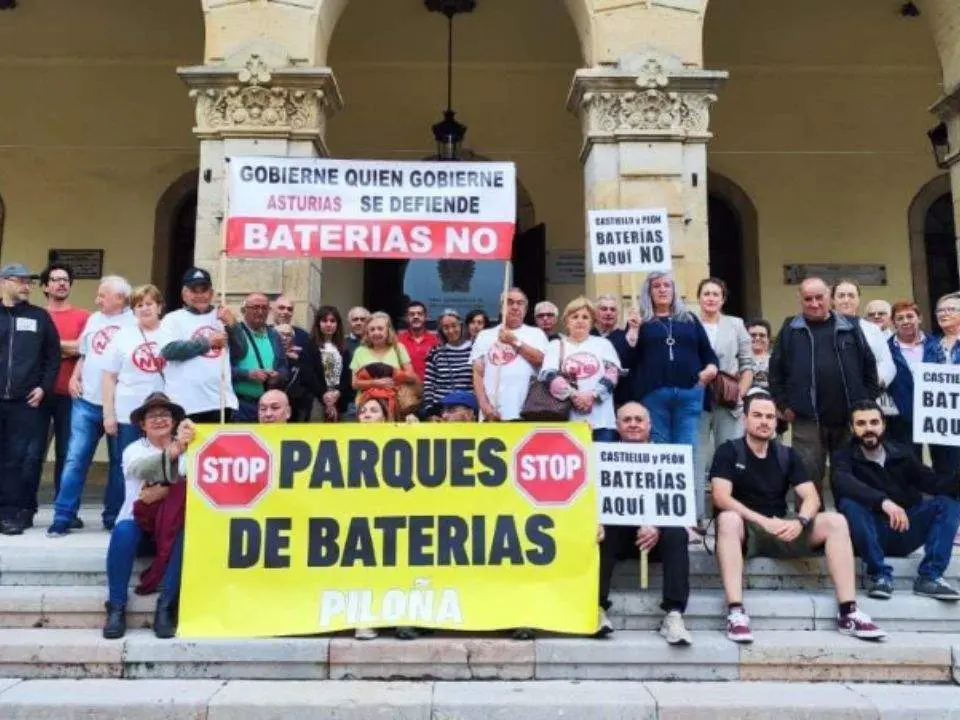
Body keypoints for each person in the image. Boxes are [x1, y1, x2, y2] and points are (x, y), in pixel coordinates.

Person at [711, 391, 885, 644]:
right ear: (745, 419)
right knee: (727, 519)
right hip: (747, 531)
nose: (764, 421)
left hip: (784, 527)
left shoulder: (786, 455)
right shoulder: (729, 451)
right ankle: (736, 612)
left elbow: (812, 497)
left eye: (770, 416)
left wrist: (800, 521)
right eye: (757, 415)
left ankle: (849, 612)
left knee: (835, 521)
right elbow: (720, 497)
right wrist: (762, 521)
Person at [833, 400, 960, 601]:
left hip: (903, 530)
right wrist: (883, 502)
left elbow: (934, 484)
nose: (869, 429)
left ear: (883, 424)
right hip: (868, 534)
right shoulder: (843, 456)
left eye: (874, 422)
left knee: (948, 503)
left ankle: (930, 576)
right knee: (850, 504)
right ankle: (879, 575)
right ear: (852, 428)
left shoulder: (902, 454)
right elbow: (843, 483)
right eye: (861, 423)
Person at [769, 277, 879, 500]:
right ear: (800, 299)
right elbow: (775, 372)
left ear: (829, 296)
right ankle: (810, 530)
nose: (815, 303)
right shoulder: (790, 329)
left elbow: (869, 367)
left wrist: (866, 403)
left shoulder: (851, 327)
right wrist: (783, 404)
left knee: (852, 479)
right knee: (807, 480)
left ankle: (852, 529)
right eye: (808, 299)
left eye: (819, 297)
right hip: (806, 419)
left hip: (850, 419)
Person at [597, 402, 692, 645]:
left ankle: (674, 614)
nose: (633, 424)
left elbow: (676, 505)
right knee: (599, 531)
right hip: (617, 537)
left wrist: (658, 526)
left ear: (649, 425)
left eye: (639, 419)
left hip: (655, 539)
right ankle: (595, 608)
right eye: (627, 420)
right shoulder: (602, 457)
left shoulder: (668, 457)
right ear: (617, 426)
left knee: (677, 533)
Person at [102, 393, 195, 640]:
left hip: (172, 528)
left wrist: (165, 489)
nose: (159, 420)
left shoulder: (193, 449)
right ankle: (116, 606)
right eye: (151, 416)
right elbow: (142, 469)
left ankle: (165, 607)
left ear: (175, 421)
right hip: (141, 528)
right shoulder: (134, 449)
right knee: (122, 531)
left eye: (165, 414)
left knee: (186, 534)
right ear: (142, 425)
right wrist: (176, 451)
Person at [47, 276, 135, 536]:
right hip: (86, 401)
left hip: (121, 407)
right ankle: (63, 516)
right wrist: (75, 375)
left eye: (102, 295)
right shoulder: (95, 319)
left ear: (120, 298)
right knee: (75, 460)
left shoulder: (133, 323)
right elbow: (86, 352)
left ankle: (112, 516)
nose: (97, 300)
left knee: (120, 464)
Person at [615, 271, 718, 453]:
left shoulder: (689, 319)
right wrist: (632, 331)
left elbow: (708, 354)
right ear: (649, 292)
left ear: (674, 290)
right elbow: (627, 360)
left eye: (667, 285)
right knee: (660, 448)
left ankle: (688, 482)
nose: (662, 290)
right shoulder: (641, 321)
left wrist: (707, 373)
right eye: (656, 286)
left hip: (689, 394)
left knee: (688, 448)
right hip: (653, 394)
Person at [0, 263, 61, 535]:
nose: (27, 286)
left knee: (19, 459)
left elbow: (52, 357)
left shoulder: (39, 317)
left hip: (27, 403)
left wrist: (44, 388)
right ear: (4, 282)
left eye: (29, 282)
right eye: (20, 281)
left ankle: (13, 514)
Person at [102, 285, 173, 513]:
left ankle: (154, 513)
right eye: (139, 305)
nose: (144, 309)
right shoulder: (123, 336)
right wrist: (108, 414)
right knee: (123, 466)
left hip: (163, 414)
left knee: (163, 462)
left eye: (149, 304)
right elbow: (109, 377)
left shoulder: (172, 333)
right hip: (127, 413)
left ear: (160, 307)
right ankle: (116, 515)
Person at [695, 278, 754, 521]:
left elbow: (747, 364)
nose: (710, 298)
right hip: (697, 399)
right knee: (696, 458)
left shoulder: (736, 324)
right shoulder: (688, 323)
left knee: (729, 458)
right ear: (699, 298)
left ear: (723, 298)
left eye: (715, 294)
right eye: (706, 293)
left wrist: (740, 392)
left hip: (728, 400)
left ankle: (729, 516)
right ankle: (696, 517)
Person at [159, 268, 247, 423]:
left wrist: (233, 325)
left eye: (204, 290)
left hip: (220, 403)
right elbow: (169, 351)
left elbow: (241, 352)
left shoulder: (222, 317)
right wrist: (207, 343)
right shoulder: (172, 319)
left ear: (211, 293)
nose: (200, 296)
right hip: (184, 404)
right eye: (194, 291)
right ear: (184, 294)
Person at [36, 263, 90, 500]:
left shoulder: (84, 317)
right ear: (46, 286)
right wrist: (68, 347)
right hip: (39, 394)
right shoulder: (36, 316)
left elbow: (84, 348)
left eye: (66, 279)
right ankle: (24, 505)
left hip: (72, 394)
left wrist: (49, 346)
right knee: (33, 452)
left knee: (67, 454)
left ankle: (64, 508)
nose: (62, 283)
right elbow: (30, 351)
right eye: (56, 279)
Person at [540, 296, 622, 441]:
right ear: (566, 321)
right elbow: (548, 375)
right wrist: (574, 395)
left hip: (602, 422)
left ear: (592, 322)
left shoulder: (603, 344)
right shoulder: (555, 345)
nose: (580, 320)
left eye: (585, 317)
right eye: (575, 316)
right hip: (568, 422)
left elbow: (612, 373)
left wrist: (592, 395)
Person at [470, 288, 548, 422]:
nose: (515, 307)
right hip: (492, 413)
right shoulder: (485, 335)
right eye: (510, 302)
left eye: (520, 303)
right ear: (501, 308)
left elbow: (540, 360)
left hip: (526, 411)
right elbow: (478, 373)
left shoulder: (536, 334)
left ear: (525, 309)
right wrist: (484, 405)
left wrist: (514, 341)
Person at [831, 279, 897, 415]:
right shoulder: (821, 328)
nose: (846, 300)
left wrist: (874, 383)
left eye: (851, 295)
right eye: (841, 295)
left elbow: (886, 363)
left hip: (863, 401)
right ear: (833, 300)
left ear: (858, 299)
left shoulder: (871, 329)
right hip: (829, 400)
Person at [885, 300, 940, 450]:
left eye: (910, 316)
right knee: (910, 465)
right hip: (903, 418)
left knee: (944, 465)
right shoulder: (885, 349)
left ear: (919, 318)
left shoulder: (938, 345)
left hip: (935, 415)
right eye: (900, 318)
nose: (905, 321)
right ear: (893, 323)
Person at [350, 312, 418, 420]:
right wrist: (376, 383)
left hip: (395, 405)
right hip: (366, 407)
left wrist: (394, 374)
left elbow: (412, 376)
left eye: (380, 329)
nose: (376, 332)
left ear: (388, 331)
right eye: (372, 329)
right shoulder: (360, 351)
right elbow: (354, 383)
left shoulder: (398, 348)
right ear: (367, 333)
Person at [232, 293, 288, 421]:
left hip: (270, 409)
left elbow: (283, 367)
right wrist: (248, 374)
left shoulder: (274, 335)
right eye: (255, 307)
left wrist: (277, 376)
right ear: (243, 310)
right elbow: (222, 371)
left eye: (264, 308)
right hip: (241, 406)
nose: (260, 311)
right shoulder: (234, 334)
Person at [927, 292, 960, 486]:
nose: (943, 313)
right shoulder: (931, 346)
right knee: (944, 471)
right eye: (940, 310)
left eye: (950, 309)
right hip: (939, 424)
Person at [421, 310, 474, 419]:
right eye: (446, 327)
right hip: (442, 410)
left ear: (461, 325)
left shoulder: (474, 349)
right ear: (441, 330)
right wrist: (430, 409)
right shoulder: (436, 351)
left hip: (467, 410)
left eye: (454, 326)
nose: (450, 330)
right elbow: (429, 383)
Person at [275, 323, 326, 422]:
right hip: (273, 405)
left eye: (288, 335)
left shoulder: (302, 355)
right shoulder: (268, 355)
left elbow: (312, 381)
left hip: (298, 407)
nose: (284, 338)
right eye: (280, 334)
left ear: (293, 339)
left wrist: (300, 362)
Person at [310, 305, 353, 422]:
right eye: (324, 321)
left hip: (339, 399)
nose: (329, 324)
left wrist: (337, 393)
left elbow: (347, 376)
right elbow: (309, 374)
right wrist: (324, 395)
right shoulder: (310, 345)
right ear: (318, 323)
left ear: (337, 324)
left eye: (332, 321)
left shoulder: (344, 348)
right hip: (317, 398)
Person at [397, 300, 439, 382]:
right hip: (406, 389)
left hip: (429, 388)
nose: (416, 317)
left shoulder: (435, 341)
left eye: (420, 314)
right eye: (412, 314)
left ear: (425, 317)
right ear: (407, 318)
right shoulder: (398, 340)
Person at [746, 318, 772, 390]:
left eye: (762, 335)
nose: (757, 338)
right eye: (753, 335)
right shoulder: (737, 360)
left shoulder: (776, 361)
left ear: (768, 339)